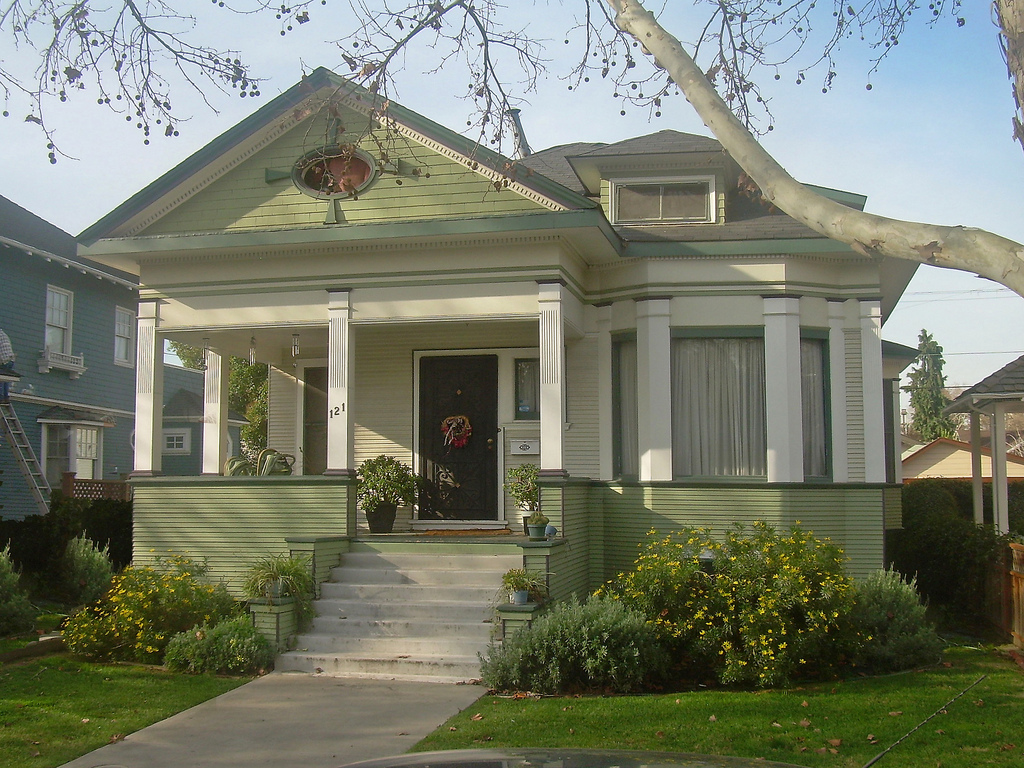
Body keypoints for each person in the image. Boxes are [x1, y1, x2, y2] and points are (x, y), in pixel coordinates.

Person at [0, 327, 16, 402]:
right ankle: (5, 397)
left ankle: (0, 397)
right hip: (11, 359)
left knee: (1, 378)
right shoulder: (4, 335)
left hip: (5, 359)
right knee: (6, 379)